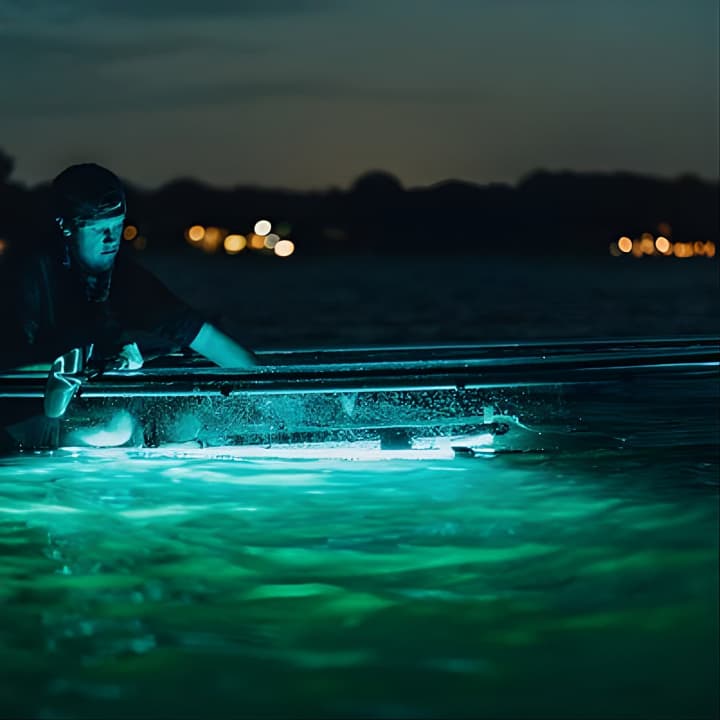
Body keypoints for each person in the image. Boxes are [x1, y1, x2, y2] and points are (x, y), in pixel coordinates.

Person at [0, 163, 257, 446]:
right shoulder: (26, 274)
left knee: (191, 419)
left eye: (117, 226)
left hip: (84, 398)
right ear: (66, 226)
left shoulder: (125, 276)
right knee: (117, 427)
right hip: (22, 407)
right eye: (99, 230)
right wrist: (107, 348)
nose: (112, 239)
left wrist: (268, 395)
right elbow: (17, 356)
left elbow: (203, 335)